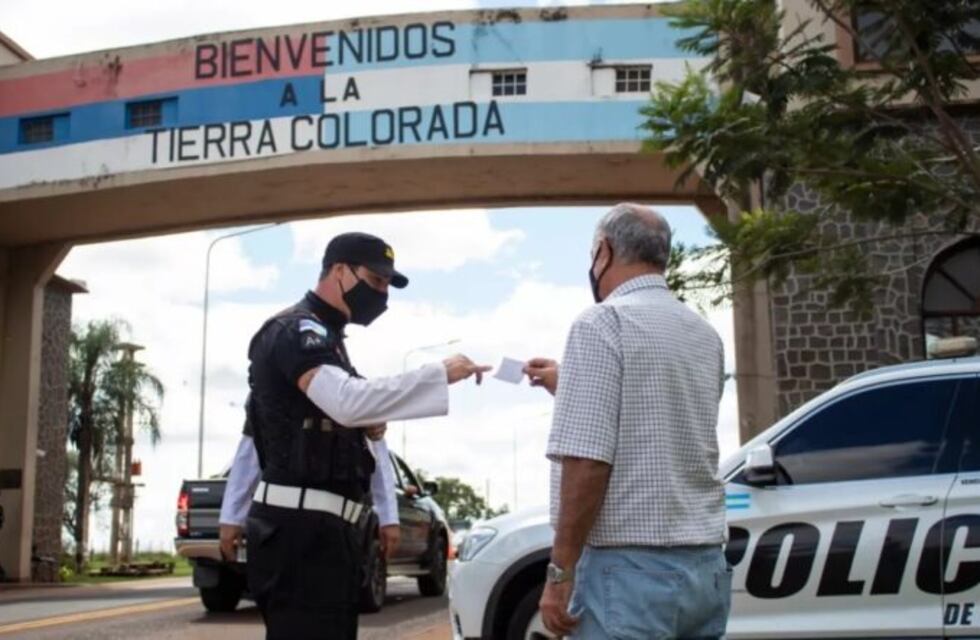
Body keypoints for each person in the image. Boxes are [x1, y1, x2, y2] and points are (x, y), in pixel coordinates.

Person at [230, 231, 489, 640]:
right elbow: (345, 402)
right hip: (299, 532)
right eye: (376, 280)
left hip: (332, 532)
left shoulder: (330, 341)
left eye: (387, 285)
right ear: (338, 270)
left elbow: (347, 413)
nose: (382, 294)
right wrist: (436, 374)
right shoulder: (297, 331)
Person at [525, 204, 730, 639]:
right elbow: (659, 416)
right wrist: (573, 383)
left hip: (630, 575)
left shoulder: (603, 323)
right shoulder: (703, 334)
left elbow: (588, 462)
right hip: (706, 569)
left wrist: (559, 575)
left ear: (603, 251)